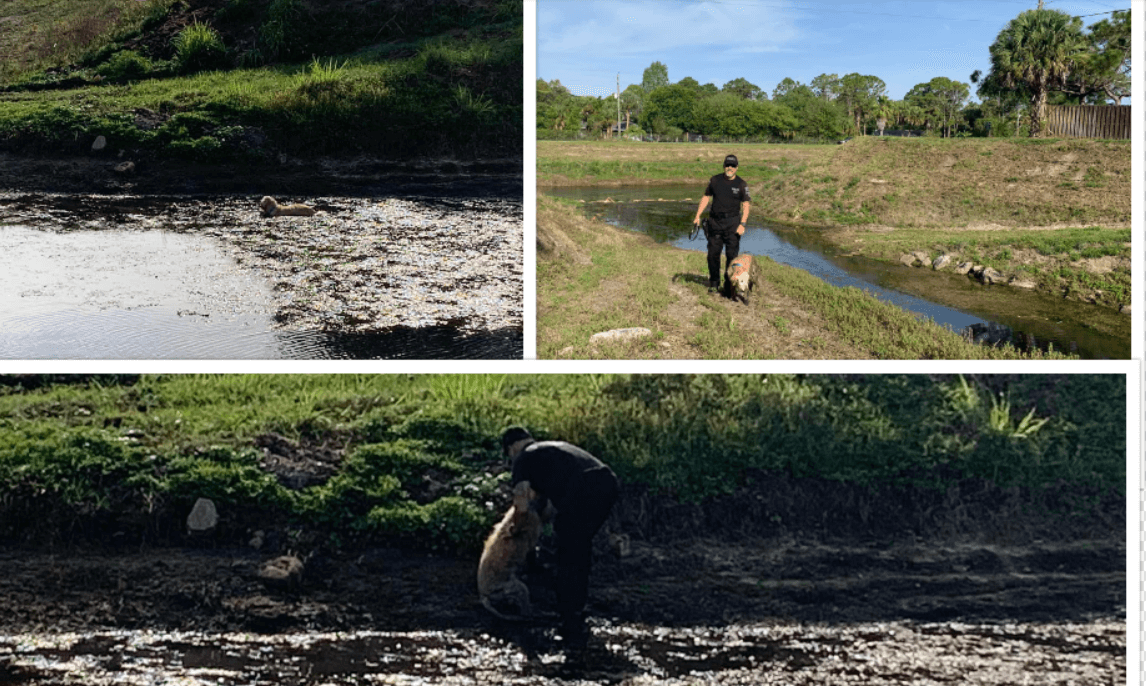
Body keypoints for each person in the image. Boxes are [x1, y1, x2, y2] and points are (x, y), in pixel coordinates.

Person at [501, 426, 619, 648]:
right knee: (578, 545)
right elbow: (546, 507)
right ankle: (576, 607)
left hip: (582, 489)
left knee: (569, 550)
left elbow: (521, 506)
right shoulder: (550, 450)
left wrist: (515, 529)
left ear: (511, 448)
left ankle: (569, 614)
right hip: (607, 482)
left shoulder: (523, 459)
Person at [693, 154, 751, 293]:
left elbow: (746, 205)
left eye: (732, 166)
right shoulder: (714, 180)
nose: (729, 168)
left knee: (731, 256)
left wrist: (743, 224)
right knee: (713, 254)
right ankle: (714, 283)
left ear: (737, 167)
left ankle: (728, 284)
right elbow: (706, 197)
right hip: (715, 223)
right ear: (724, 166)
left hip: (733, 224)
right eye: (727, 165)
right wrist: (697, 215)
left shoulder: (741, 184)